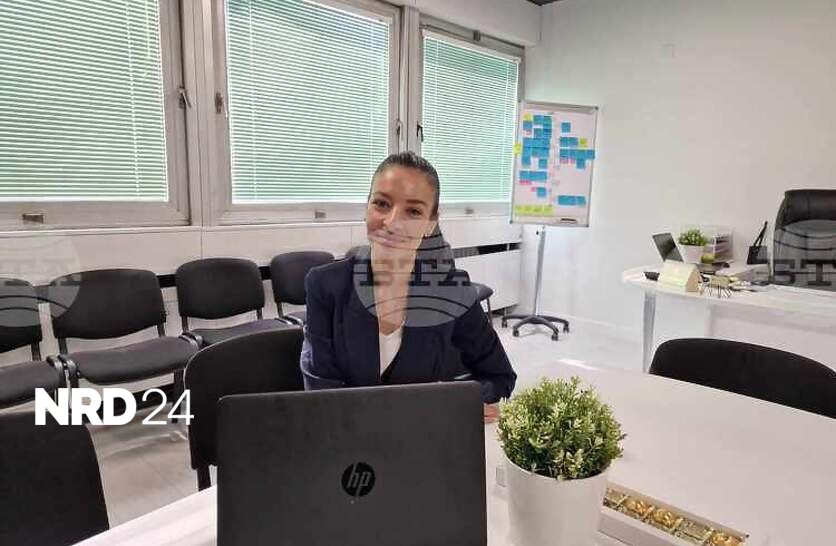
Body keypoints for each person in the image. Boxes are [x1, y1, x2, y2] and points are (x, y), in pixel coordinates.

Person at [300, 152, 516, 422]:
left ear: (430, 223)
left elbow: (499, 376)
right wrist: (422, 406)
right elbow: (321, 395)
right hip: (349, 437)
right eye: (381, 204)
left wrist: (454, 401)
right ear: (366, 208)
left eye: (413, 211)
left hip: (423, 436)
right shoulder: (325, 285)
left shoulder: (451, 290)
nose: (392, 223)